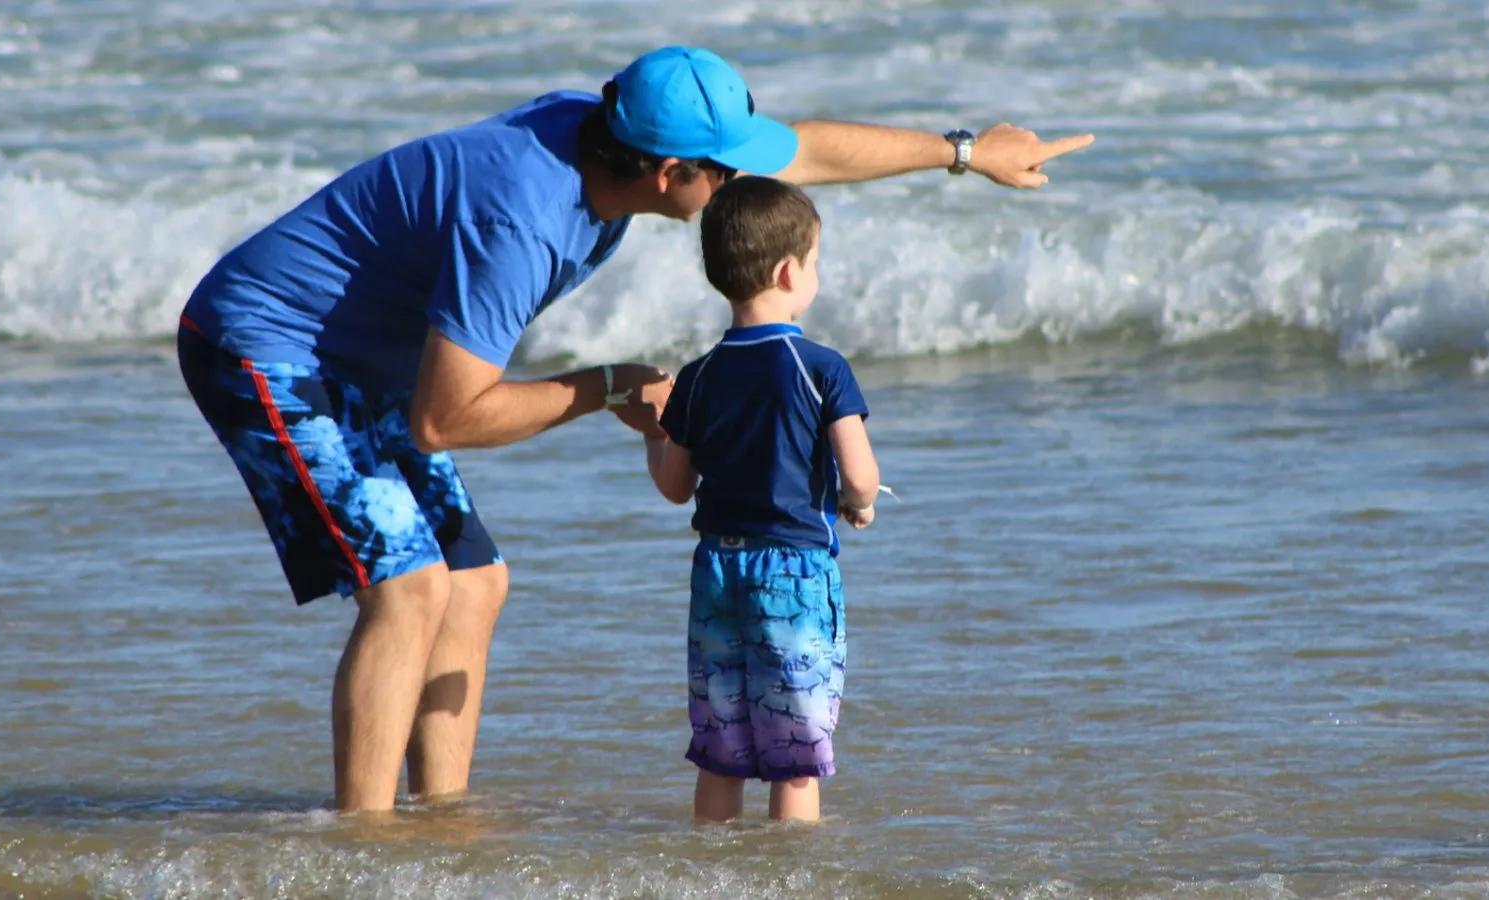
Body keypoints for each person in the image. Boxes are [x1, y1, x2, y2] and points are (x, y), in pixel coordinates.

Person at [175, 44, 1094, 814]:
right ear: (668, 174)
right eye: (724, 170)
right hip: (263, 347)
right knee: (409, 589)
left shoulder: (611, 131)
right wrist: (607, 386)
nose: (742, 182)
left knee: (476, 581)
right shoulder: (522, 219)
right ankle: (365, 844)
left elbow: (806, 149)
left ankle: (439, 822)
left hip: (367, 356)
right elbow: (446, 418)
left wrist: (964, 154)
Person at [643, 175, 878, 823]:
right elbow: (859, 477)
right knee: (794, 759)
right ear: (786, 272)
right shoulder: (821, 367)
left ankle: (713, 875)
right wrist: (858, 504)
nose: (816, 277)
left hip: (718, 570)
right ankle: (785, 883)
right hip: (792, 576)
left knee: (723, 751)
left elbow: (673, 486)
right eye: (815, 263)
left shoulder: (700, 374)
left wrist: (649, 432)